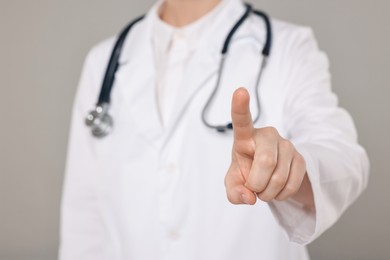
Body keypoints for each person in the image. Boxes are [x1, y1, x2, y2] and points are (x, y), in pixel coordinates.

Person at [59, 0, 369, 259]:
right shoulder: (103, 62)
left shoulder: (288, 46)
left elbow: (343, 159)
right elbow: (83, 219)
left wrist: (288, 167)